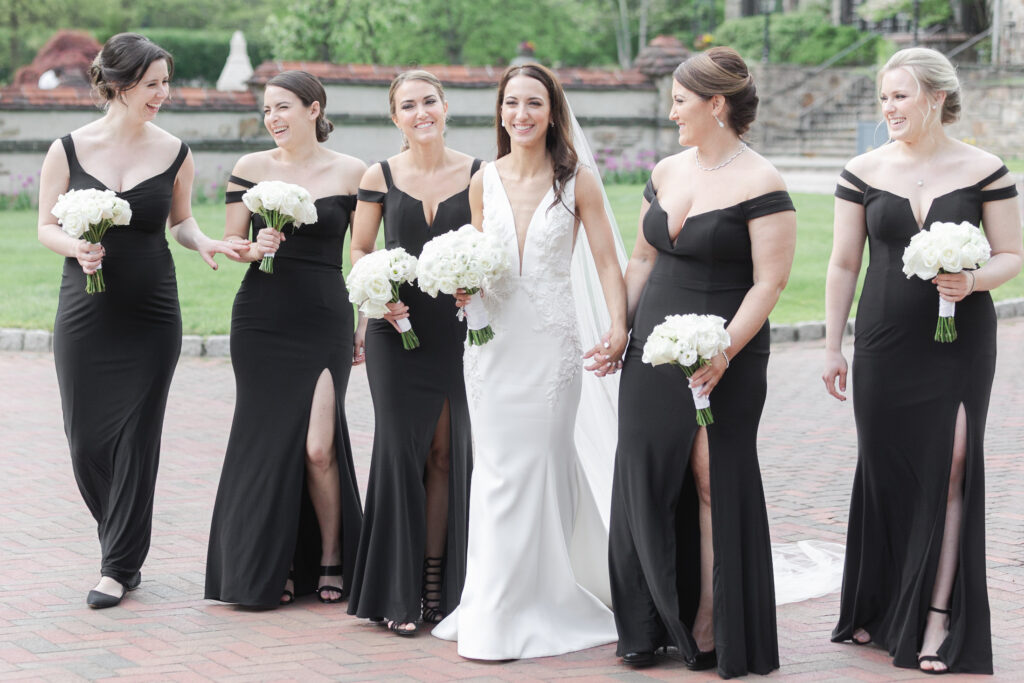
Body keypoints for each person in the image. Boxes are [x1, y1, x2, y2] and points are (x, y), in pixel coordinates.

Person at [823, 47, 1021, 675]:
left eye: (901, 95)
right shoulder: (862, 169)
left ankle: (936, 619)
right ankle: (876, 602)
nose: (889, 107)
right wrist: (832, 345)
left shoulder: (985, 168)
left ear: (936, 97)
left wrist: (974, 281)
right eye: (884, 96)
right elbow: (843, 263)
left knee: (953, 464)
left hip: (961, 343)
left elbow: (1012, 253)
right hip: (883, 341)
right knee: (885, 468)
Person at [36, 33, 244, 609]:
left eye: (165, 84)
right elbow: (45, 227)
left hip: (152, 312)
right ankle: (120, 540)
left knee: (137, 440)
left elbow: (180, 222)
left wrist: (206, 242)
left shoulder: (175, 150)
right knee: (85, 443)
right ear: (121, 84)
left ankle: (118, 564)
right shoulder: (67, 150)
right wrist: (75, 247)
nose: (163, 94)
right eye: (153, 85)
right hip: (85, 310)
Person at [608, 47, 797, 677]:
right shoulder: (665, 171)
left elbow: (769, 284)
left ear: (716, 106)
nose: (671, 113)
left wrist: (724, 352)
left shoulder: (763, 182)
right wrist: (619, 331)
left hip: (728, 351)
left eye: (680, 101)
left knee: (713, 480)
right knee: (644, 477)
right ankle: (641, 624)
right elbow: (641, 259)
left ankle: (713, 621)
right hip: (653, 349)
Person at [432, 63, 628, 660]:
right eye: (511, 103)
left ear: (552, 111)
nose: (521, 114)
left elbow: (604, 264)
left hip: (550, 349)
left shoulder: (578, 181)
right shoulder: (480, 180)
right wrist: (462, 288)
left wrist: (618, 325)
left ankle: (541, 599)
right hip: (489, 347)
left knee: (538, 468)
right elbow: (476, 258)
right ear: (499, 111)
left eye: (533, 103)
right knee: (493, 471)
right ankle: (492, 604)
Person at [204, 71, 366, 608]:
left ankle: (330, 555)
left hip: (324, 317)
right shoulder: (251, 169)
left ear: (314, 109)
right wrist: (255, 246)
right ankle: (270, 566)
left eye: (283, 107)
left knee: (319, 448)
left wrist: (363, 321)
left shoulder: (352, 172)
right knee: (268, 442)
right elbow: (232, 242)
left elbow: (360, 255)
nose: (273, 118)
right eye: (267, 109)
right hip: (261, 316)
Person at [346, 71, 480, 635]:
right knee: (400, 456)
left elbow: (490, 247)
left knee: (447, 457)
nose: (421, 112)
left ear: (445, 107)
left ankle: (434, 585)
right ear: (395, 117)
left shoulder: (478, 173)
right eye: (409, 105)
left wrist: (474, 284)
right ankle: (394, 593)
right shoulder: (378, 175)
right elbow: (360, 246)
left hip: (454, 328)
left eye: (429, 101)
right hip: (395, 331)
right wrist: (376, 300)